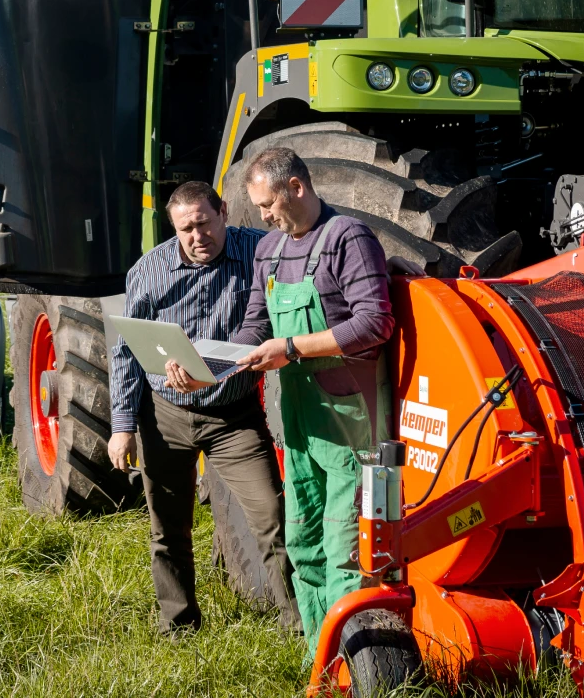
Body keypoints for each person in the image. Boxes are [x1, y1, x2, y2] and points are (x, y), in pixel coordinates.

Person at [108, 181, 299, 634]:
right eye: (185, 229)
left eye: (204, 223)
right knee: (168, 529)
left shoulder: (261, 250)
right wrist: (122, 426)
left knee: (273, 519)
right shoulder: (149, 271)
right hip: (166, 415)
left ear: (224, 213)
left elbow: (315, 253)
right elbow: (124, 350)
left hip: (234, 418)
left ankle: (299, 623)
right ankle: (178, 625)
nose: (197, 237)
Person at [233, 147, 394, 652]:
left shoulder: (348, 238)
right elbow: (256, 324)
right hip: (300, 425)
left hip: (353, 427)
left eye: (267, 204)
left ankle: (358, 665)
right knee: (304, 545)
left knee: (347, 552)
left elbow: (375, 323)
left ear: (296, 188)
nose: (262, 216)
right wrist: (211, 364)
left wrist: (290, 348)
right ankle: (320, 664)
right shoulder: (269, 250)